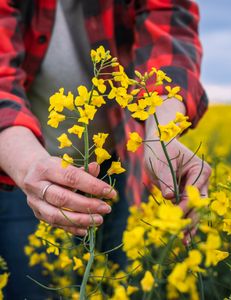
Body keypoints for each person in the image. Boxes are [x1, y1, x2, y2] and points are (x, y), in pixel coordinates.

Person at [0, 0, 211, 298]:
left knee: (119, 279)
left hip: (120, 160)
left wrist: (161, 139)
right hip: (23, 160)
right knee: (30, 283)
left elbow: (168, 41)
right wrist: (26, 164)